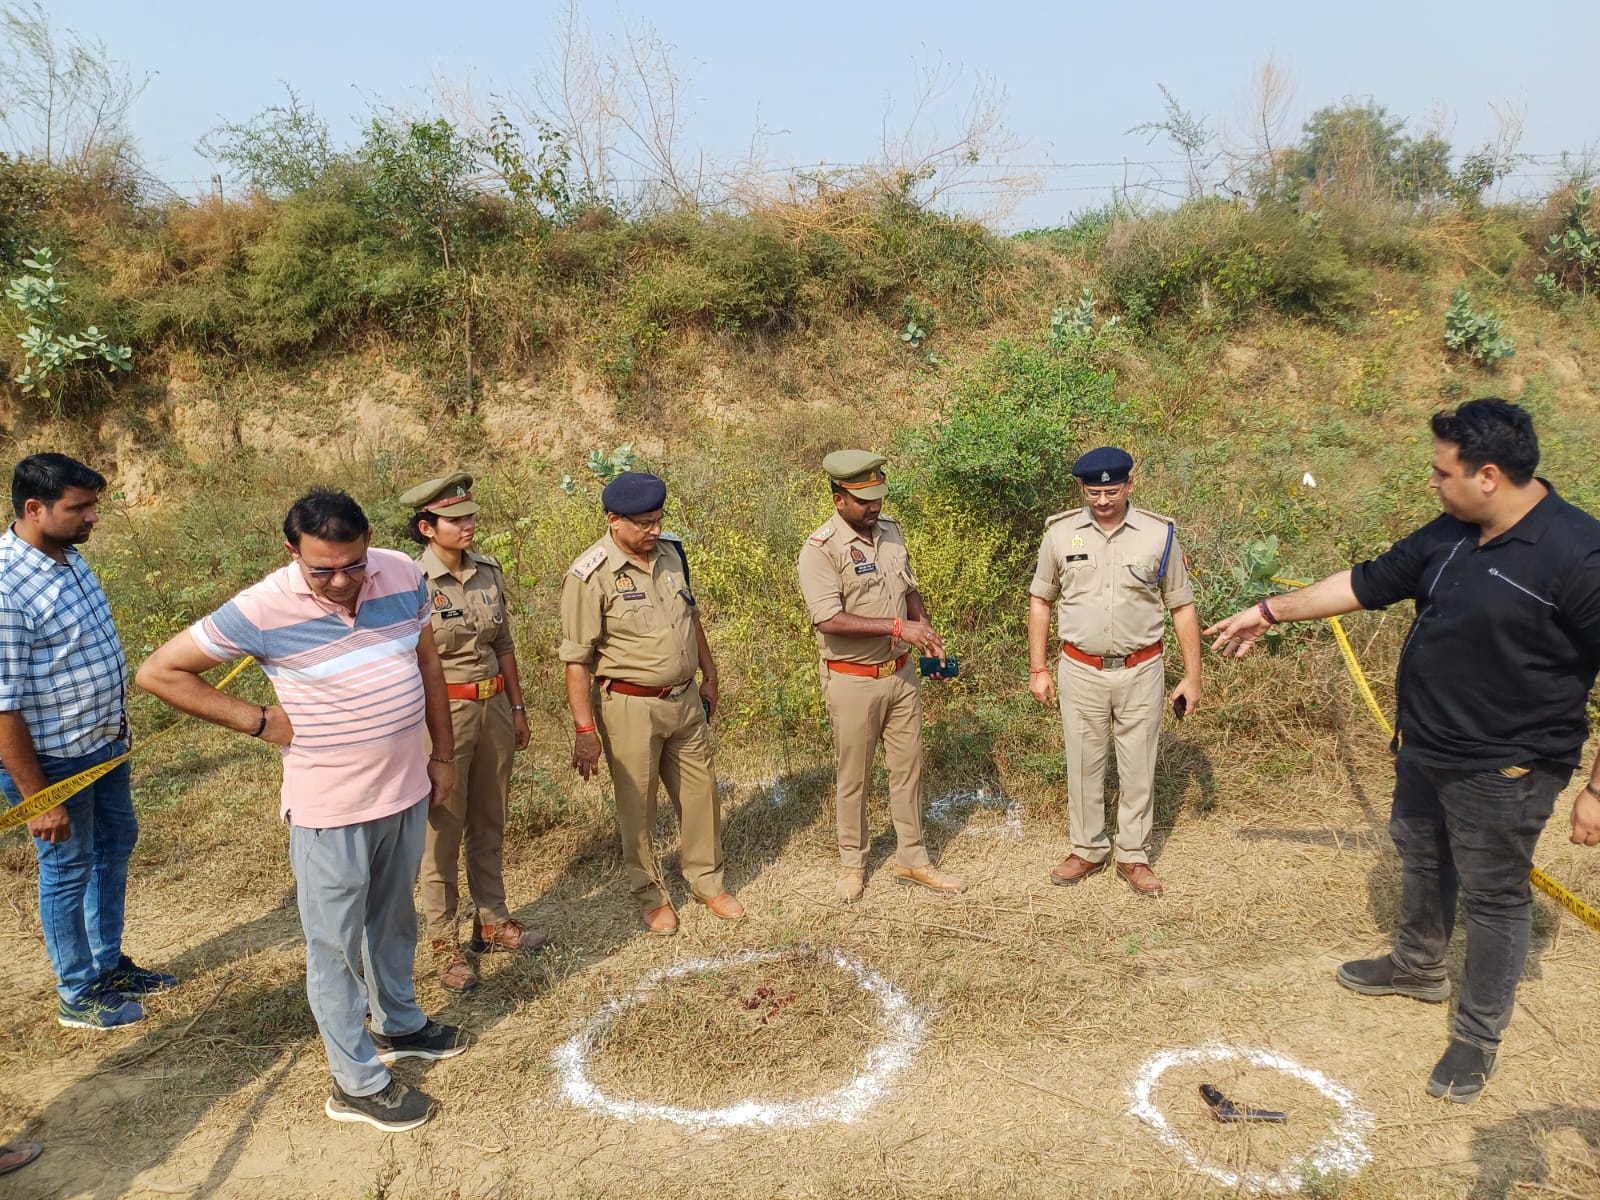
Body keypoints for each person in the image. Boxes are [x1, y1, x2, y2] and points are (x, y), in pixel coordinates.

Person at [1205, 398, 1600, 1105]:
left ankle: (1476, 1037)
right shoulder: (1453, 531)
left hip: (1506, 767)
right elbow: (1368, 582)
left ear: (1487, 475)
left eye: (1440, 472)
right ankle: (1418, 967)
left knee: (1494, 898)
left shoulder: (1578, 555)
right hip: (1425, 745)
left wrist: (1598, 789)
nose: (1431, 483)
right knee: (1420, 856)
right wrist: (1269, 611)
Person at [136, 488, 468, 1132]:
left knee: (395, 920)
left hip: (404, 790)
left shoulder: (400, 571)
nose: (342, 582)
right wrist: (260, 720)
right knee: (336, 948)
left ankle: (397, 1022)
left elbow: (426, 658)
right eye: (323, 570)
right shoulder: (263, 607)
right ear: (292, 553)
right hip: (330, 809)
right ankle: (356, 1082)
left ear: (370, 544)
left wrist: (443, 755)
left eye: (353, 565)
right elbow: (160, 672)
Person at [1, 453, 176, 1031]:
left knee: (113, 845)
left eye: (92, 505)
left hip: (103, 747)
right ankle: (78, 991)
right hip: (52, 763)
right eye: (79, 507)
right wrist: (39, 797)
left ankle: (108, 963)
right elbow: (2, 706)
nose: (92, 517)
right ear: (34, 508)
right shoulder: (6, 586)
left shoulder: (67, 558)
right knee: (66, 867)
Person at [559, 471, 743, 934]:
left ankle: (707, 881)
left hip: (684, 701)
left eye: (659, 520)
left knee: (701, 795)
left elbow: (691, 617)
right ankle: (650, 893)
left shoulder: (671, 553)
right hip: (630, 708)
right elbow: (577, 660)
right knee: (637, 807)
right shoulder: (590, 575)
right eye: (644, 523)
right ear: (613, 520)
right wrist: (585, 731)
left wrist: (711, 675)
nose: (654, 530)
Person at [1027, 447, 1201, 898]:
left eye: (1111, 490)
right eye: (1093, 491)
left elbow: (1181, 606)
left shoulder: (1158, 535)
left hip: (1142, 669)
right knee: (1083, 763)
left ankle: (1133, 855)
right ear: (1081, 489)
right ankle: (1087, 848)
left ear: (1129, 485)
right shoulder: (1060, 534)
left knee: (1138, 766)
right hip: (1079, 669)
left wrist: (1193, 675)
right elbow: (1041, 600)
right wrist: (1038, 668)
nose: (1102, 500)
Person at [400, 472, 548, 994]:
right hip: (442, 720)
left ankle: (492, 918)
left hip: (494, 712)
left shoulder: (488, 570)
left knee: (489, 817)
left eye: (470, 517)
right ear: (426, 527)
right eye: (455, 520)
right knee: (440, 830)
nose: (468, 526)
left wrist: (518, 705)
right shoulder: (409, 583)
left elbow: (503, 642)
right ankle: (443, 941)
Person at [797, 450, 967, 904]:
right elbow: (828, 619)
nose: (873, 507)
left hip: (901, 674)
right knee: (854, 775)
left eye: (878, 496)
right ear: (838, 498)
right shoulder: (820, 550)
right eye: (863, 500)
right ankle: (853, 864)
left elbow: (908, 589)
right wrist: (897, 628)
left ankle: (912, 858)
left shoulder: (890, 531)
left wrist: (926, 634)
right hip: (852, 680)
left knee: (908, 769)